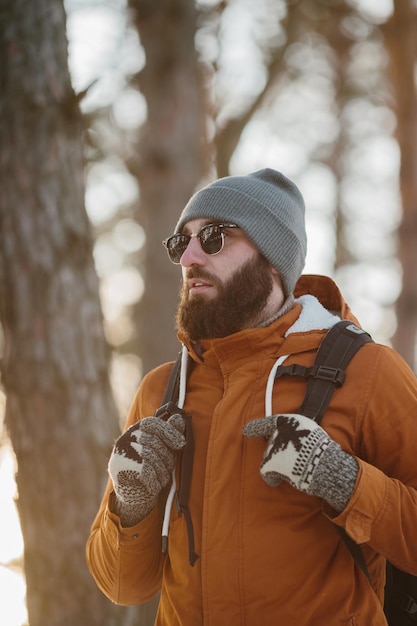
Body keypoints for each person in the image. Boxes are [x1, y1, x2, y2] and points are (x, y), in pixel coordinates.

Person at [86, 168, 417, 625]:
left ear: (272, 258)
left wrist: (345, 482)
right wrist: (129, 505)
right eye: (182, 243)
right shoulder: (163, 393)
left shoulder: (367, 371)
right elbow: (123, 586)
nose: (189, 259)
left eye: (215, 237)